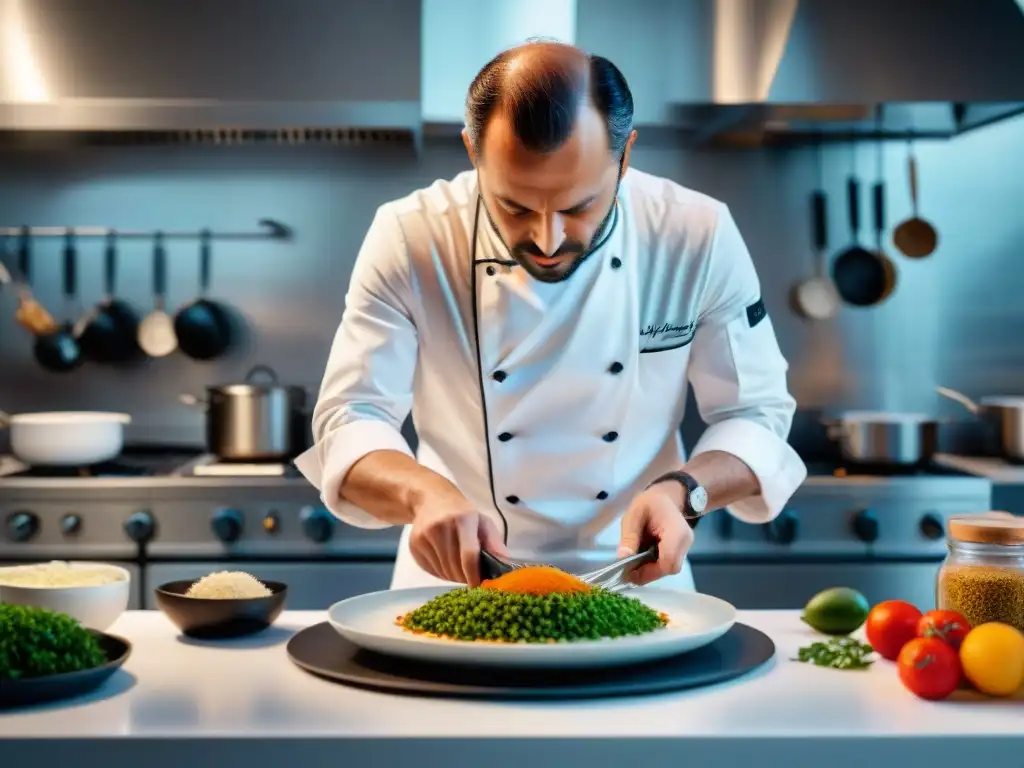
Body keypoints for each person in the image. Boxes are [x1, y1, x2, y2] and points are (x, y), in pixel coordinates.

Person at [294, 40, 806, 592]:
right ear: (472, 151)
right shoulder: (412, 236)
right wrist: (422, 493)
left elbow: (755, 415)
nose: (546, 238)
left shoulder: (694, 235)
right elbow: (350, 417)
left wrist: (684, 491)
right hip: (456, 580)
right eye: (514, 206)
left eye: (579, 205)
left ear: (625, 156)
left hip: (637, 578)